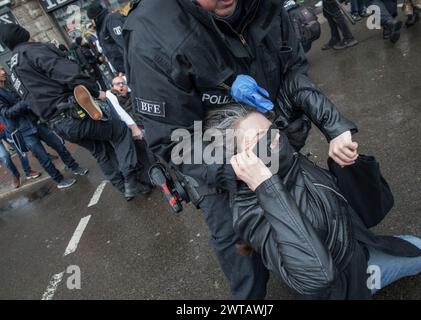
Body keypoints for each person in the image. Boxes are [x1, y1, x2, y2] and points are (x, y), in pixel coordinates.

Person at [124, 0, 361, 299]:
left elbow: (293, 71)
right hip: (219, 171)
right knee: (244, 262)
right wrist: (237, 169)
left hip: (281, 143)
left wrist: (334, 125)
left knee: (318, 217)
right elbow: (174, 142)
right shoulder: (151, 33)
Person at [205, 103, 421, 299]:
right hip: (338, 285)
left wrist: (339, 139)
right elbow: (317, 277)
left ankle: (367, 271)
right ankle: (366, 282)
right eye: (259, 139)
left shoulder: (287, 156)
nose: (275, 137)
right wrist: (267, 188)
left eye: (271, 129)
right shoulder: (249, 211)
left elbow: (296, 81)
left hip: (356, 250)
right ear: (238, 162)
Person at [0, 24, 149, 200]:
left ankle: (124, 188)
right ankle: (131, 179)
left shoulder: (15, 68)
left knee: (100, 151)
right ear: (22, 34)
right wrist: (95, 91)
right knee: (120, 130)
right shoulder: (34, 51)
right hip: (73, 115)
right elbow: (69, 72)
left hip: (57, 124)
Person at [0, 65, 85, 189]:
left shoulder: (9, 84)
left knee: (59, 145)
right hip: (23, 130)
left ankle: (74, 166)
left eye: (3, 69)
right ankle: (59, 180)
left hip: (36, 122)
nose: (3, 72)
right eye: (0, 70)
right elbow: (7, 113)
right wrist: (25, 102)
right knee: (43, 157)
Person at [87, 1, 127, 75]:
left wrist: (129, 67)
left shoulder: (111, 19)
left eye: (91, 19)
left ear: (95, 17)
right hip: (123, 69)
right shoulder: (102, 26)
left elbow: (124, 44)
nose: (91, 22)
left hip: (130, 67)